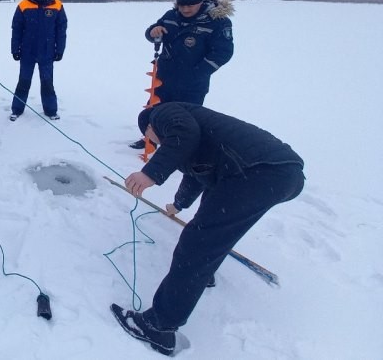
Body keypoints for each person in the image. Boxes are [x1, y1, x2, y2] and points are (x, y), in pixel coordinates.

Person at [112, 102, 305, 356]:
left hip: (261, 171)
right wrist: (178, 205)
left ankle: (158, 326)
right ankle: (200, 274)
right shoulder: (188, 138)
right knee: (210, 228)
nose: (153, 143)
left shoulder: (163, 113)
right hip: (274, 174)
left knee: (198, 243)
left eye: (150, 138)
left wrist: (150, 174)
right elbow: (196, 172)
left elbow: (184, 135)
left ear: (149, 127)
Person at [130, 0, 234, 149]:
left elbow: (223, 52)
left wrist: (198, 73)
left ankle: (180, 146)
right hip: (165, 76)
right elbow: (153, 32)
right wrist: (153, 31)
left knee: (185, 116)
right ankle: (150, 139)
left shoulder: (217, 22)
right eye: (182, 5)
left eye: (190, 5)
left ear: (200, 2)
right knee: (156, 108)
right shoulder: (171, 15)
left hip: (193, 81)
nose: (185, 9)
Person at [9, 0, 67, 121]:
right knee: (24, 81)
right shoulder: (23, 5)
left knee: (47, 82)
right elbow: (16, 29)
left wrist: (60, 50)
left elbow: (61, 30)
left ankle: (51, 110)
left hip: (47, 52)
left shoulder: (57, 5)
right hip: (27, 51)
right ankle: (17, 109)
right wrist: (15, 49)